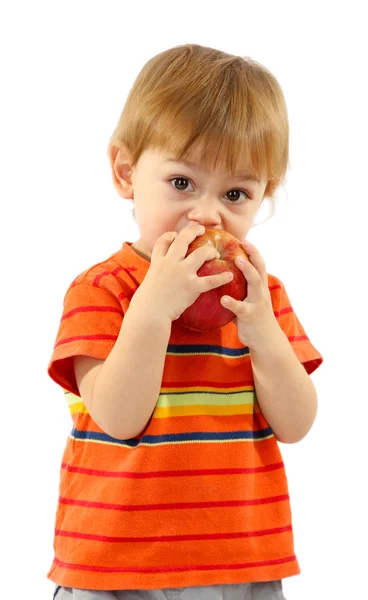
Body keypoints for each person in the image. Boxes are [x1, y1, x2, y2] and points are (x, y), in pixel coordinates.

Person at [48, 44, 323, 600]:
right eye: (181, 183)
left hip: (240, 566)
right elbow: (120, 417)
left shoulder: (259, 295)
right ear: (126, 173)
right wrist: (153, 309)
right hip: (117, 566)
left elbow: (295, 424)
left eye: (236, 193)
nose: (206, 214)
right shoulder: (102, 290)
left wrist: (263, 333)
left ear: (262, 197)